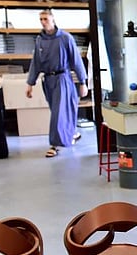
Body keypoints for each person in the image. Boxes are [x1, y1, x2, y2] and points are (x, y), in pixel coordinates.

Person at [25, 9, 89, 158]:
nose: (43, 22)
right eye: (40, 19)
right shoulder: (40, 40)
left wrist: (82, 82)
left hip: (63, 78)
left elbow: (76, 61)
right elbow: (36, 62)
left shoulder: (65, 38)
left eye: (45, 18)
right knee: (57, 111)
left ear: (53, 19)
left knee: (59, 113)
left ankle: (54, 145)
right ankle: (72, 133)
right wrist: (30, 83)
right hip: (48, 80)